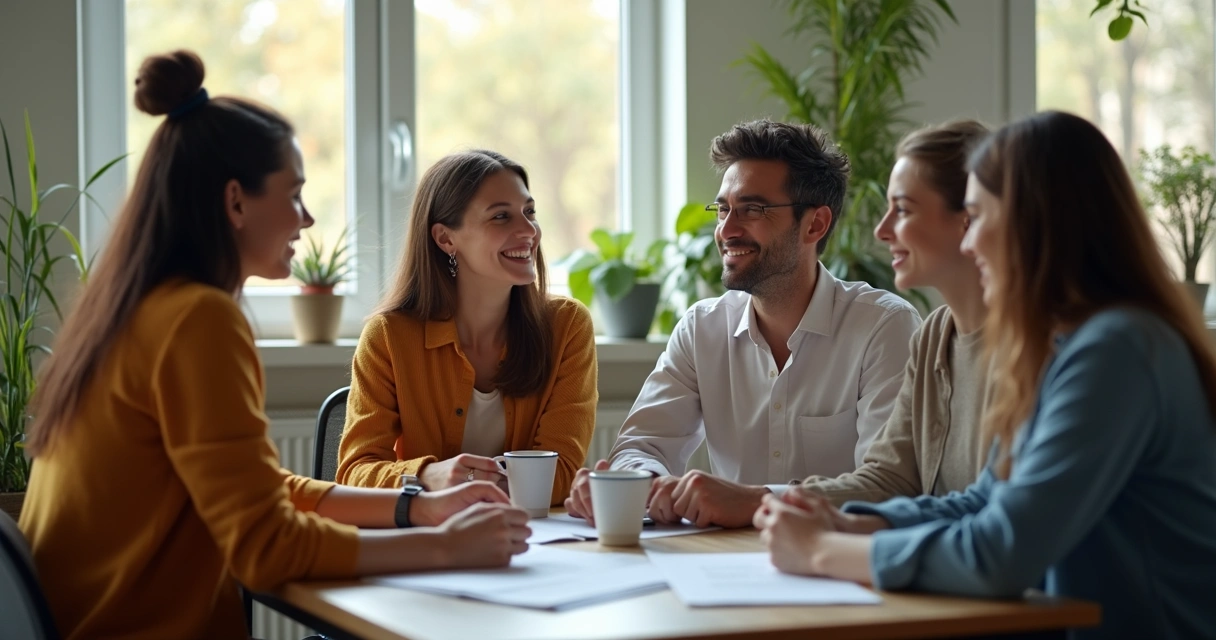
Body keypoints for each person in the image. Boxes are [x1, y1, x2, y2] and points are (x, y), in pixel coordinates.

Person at [18, 50, 531, 640]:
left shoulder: (134, 305)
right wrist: (442, 550)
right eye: (293, 196)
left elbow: (259, 489)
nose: (307, 219)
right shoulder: (197, 320)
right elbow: (265, 545)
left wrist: (414, 507)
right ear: (236, 201)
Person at [755, 111, 1216, 639]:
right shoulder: (1074, 342)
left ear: (1032, 220)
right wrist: (858, 523)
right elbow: (985, 499)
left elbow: (1004, 551)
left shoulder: (1117, 350)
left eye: (978, 217)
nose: (971, 244)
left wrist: (820, 550)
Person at [566, 119, 921, 528]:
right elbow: (641, 445)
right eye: (723, 209)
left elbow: (890, 485)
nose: (726, 230)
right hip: (721, 562)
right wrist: (646, 482)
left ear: (815, 224)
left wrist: (758, 501)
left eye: (752, 210)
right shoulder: (703, 328)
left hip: (837, 564)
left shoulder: (884, 327)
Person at [334, 149, 597, 506]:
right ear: (445, 239)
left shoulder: (567, 327)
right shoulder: (388, 337)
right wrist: (429, 475)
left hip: (530, 542)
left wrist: (466, 483)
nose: (528, 231)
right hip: (429, 544)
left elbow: (561, 473)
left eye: (529, 212)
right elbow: (355, 472)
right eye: (501, 217)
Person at [795, 120, 991, 505]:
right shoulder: (934, 336)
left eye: (902, 210)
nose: (882, 231)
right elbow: (889, 478)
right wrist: (768, 503)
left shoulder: (1035, 346)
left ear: (968, 217)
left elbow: (993, 521)